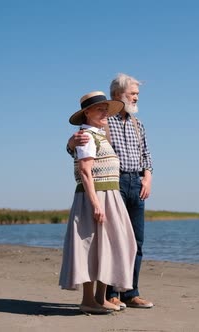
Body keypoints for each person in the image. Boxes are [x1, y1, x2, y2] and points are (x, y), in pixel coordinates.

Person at [67, 73, 154, 309]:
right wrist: (71, 143)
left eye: (137, 94)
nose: (136, 98)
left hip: (134, 184)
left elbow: (146, 154)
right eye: (132, 94)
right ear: (118, 95)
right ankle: (109, 295)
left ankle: (130, 292)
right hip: (109, 185)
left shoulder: (138, 124)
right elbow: (83, 146)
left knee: (133, 240)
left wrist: (148, 176)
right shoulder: (106, 122)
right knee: (108, 240)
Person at [59, 91, 137, 315]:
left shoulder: (100, 135)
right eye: (99, 109)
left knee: (112, 245)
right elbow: (85, 172)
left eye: (106, 109)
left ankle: (100, 297)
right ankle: (88, 300)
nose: (104, 113)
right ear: (87, 113)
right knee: (92, 246)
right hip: (96, 196)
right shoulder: (86, 137)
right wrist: (95, 204)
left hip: (111, 196)